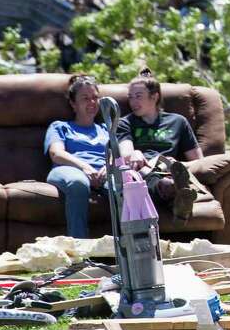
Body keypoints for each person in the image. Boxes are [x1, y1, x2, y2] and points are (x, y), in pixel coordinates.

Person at [115, 69, 206, 220]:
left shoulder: (178, 122)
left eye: (138, 96)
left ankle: (177, 192)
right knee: (154, 181)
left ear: (154, 97)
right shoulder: (125, 123)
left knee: (170, 177)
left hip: (173, 168)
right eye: (130, 97)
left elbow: (198, 160)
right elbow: (126, 153)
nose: (133, 102)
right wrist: (135, 153)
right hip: (145, 171)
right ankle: (176, 195)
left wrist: (178, 165)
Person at [45, 74, 109, 238]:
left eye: (95, 97)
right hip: (68, 169)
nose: (92, 102)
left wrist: (107, 168)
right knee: (78, 182)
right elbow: (56, 153)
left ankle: (128, 248)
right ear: (73, 104)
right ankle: (80, 250)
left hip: (102, 172)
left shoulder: (105, 129)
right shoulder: (60, 127)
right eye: (85, 98)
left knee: (123, 186)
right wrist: (85, 167)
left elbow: (116, 155)